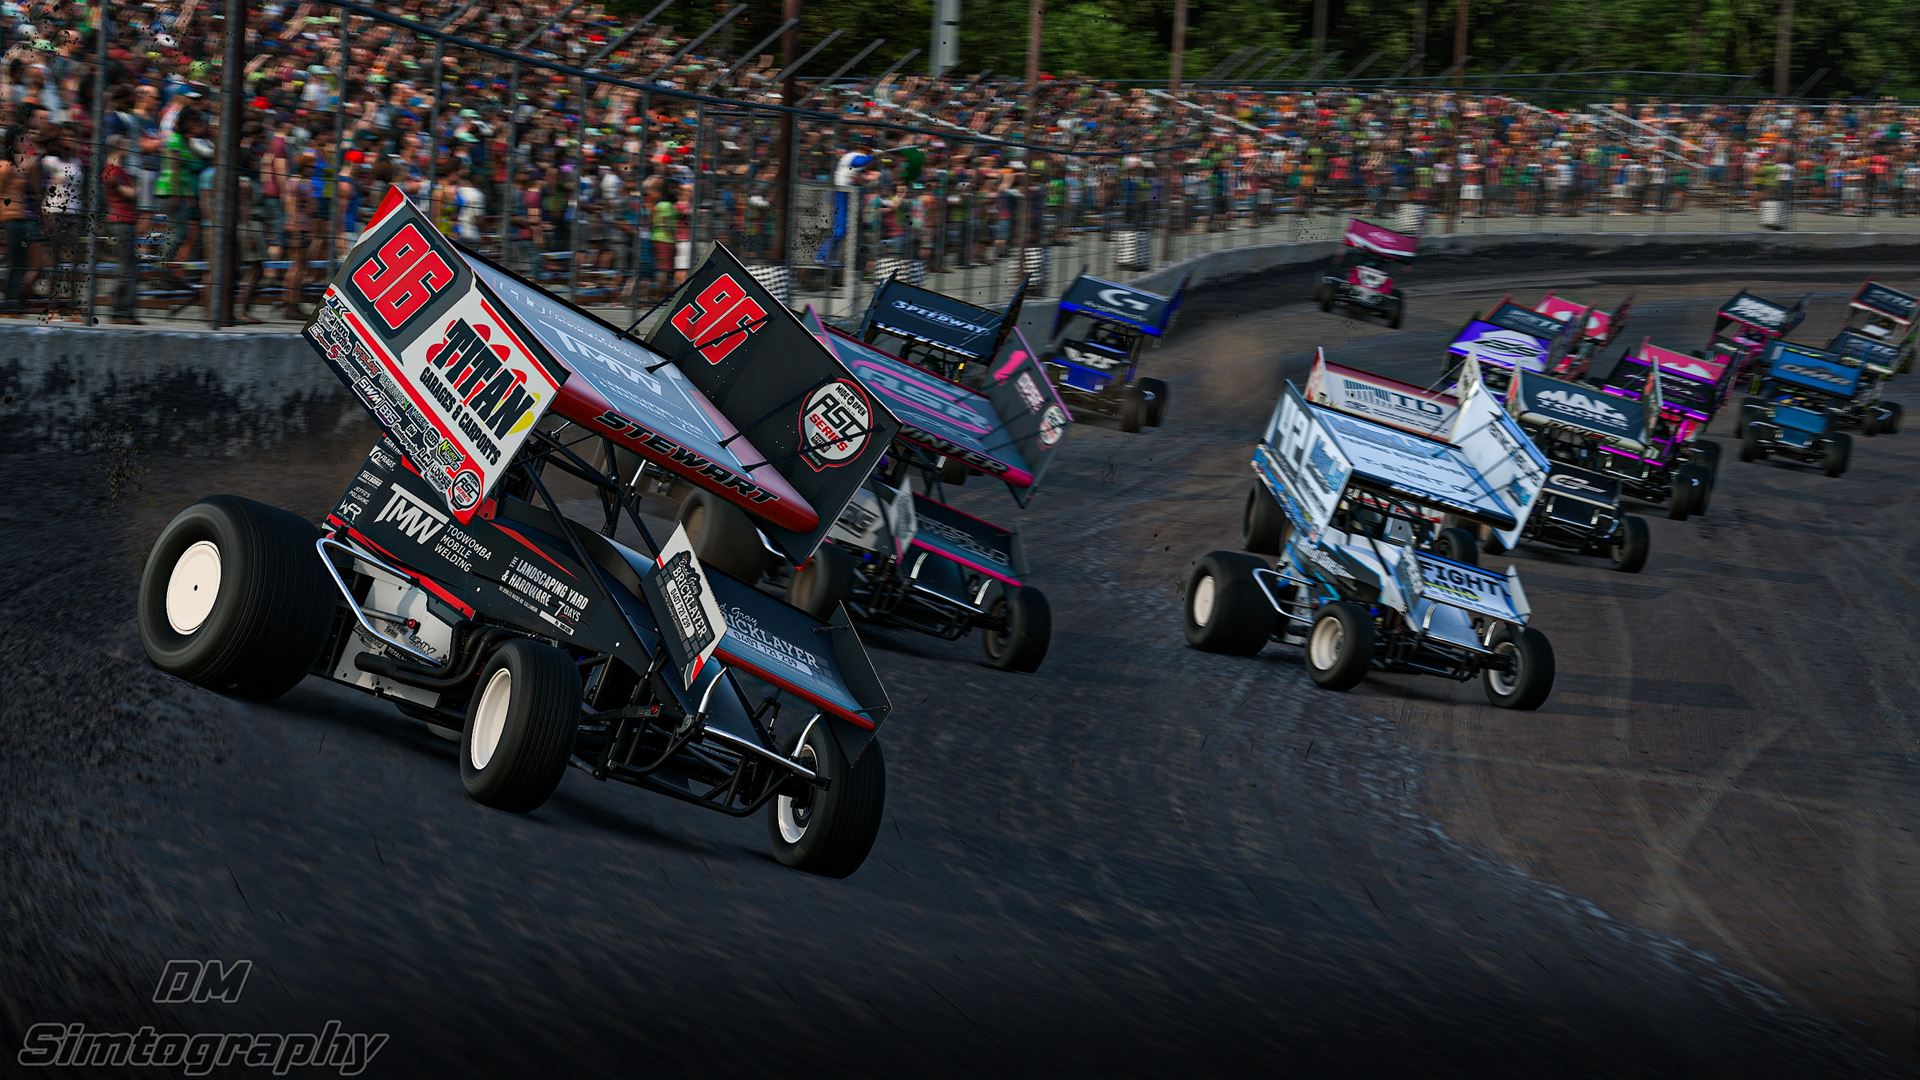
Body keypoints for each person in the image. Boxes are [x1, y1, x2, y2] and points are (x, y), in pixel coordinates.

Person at [103, 136, 142, 324]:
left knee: (129, 268)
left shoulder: (120, 170)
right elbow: (131, 192)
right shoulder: (112, 171)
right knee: (127, 268)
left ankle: (125, 311)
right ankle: (121, 312)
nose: (129, 148)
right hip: (121, 221)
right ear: (117, 147)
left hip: (125, 220)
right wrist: (134, 187)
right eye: (125, 145)